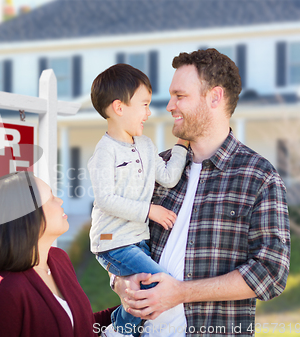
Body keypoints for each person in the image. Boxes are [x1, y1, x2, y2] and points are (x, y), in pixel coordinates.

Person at [111, 49, 291, 337]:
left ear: (214, 97)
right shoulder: (155, 168)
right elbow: (118, 235)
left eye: (180, 96)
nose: (169, 105)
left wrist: (181, 292)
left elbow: (271, 273)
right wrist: (121, 282)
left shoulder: (259, 177)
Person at [88, 63, 189, 335]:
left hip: (137, 239)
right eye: (144, 105)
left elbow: (167, 177)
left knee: (141, 290)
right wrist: (149, 211)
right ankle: (118, 331)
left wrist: (181, 146)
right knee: (160, 283)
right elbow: (106, 199)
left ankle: (118, 329)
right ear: (119, 108)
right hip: (112, 242)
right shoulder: (104, 153)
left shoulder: (145, 145)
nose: (149, 112)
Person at [0, 171, 118, 337]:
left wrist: (133, 308)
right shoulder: (5, 291)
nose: (60, 201)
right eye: (51, 198)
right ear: (27, 216)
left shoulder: (58, 259)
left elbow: (81, 326)